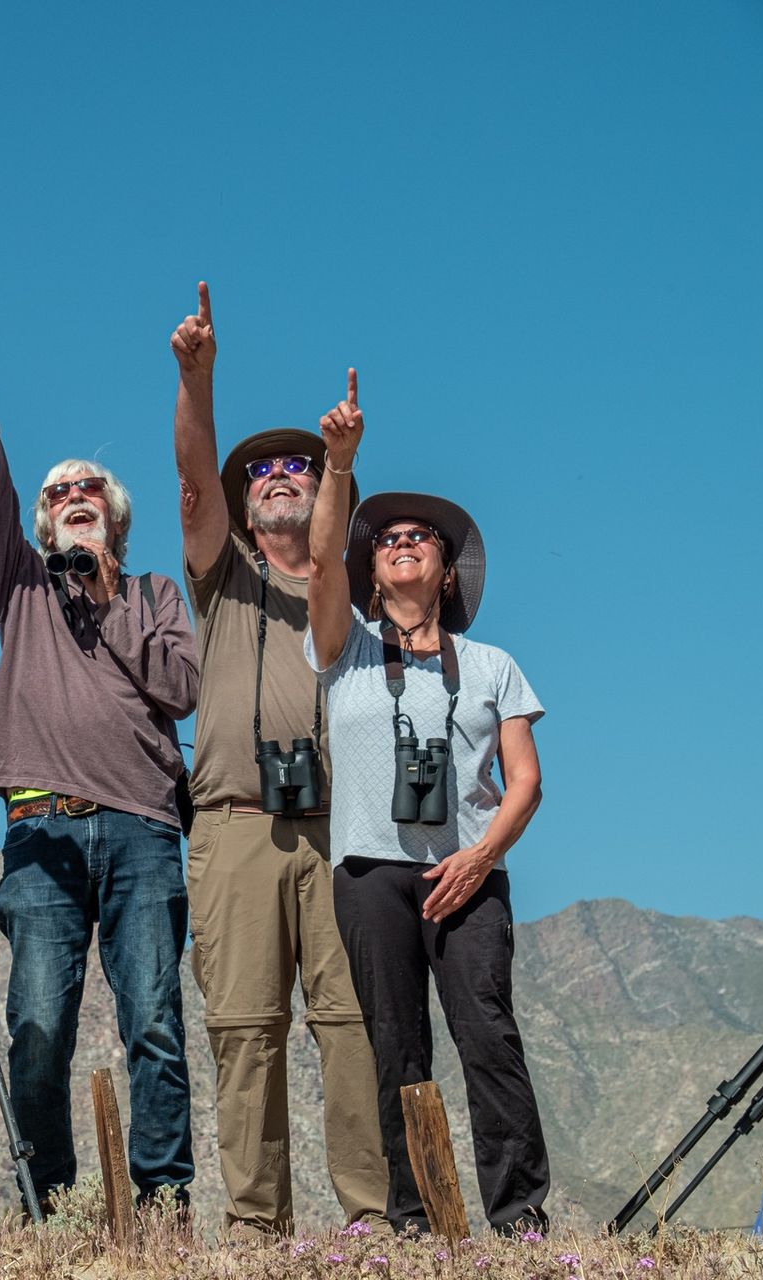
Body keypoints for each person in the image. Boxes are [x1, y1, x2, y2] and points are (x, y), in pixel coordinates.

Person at [0, 273, 199, 1210]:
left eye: (88, 491)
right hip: (41, 830)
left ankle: (163, 1206)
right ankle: (54, 1205)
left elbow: (180, 689)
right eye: (58, 494)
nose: (71, 496)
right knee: (37, 1022)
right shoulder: (21, 585)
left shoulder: (155, 596)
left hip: (143, 831)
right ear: (43, 522)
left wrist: (109, 597)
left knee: (154, 1023)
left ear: (112, 517)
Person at [308, 372, 550, 1236]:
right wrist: (340, 467)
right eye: (390, 540)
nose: (404, 542)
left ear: (446, 571)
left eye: (423, 539)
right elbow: (321, 562)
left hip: (467, 871)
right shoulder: (346, 651)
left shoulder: (492, 666)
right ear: (371, 573)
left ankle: (520, 1218)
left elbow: (525, 781)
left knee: (487, 1036)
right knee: (396, 1047)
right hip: (371, 869)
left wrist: (481, 858)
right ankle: (414, 1221)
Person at [170, 284, 389, 1238]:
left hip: (343, 831)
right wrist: (197, 378)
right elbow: (189, 480)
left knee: (350, 1027)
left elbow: (334, 548)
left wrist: (341, 463)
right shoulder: (221, 579)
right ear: (241, 500)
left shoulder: (354, 595)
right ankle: (258, 1230)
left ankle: (370, 1220)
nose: (277, 475)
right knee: (244, 1032)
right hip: (235, 824)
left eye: (296, 465)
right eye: (259, 471)